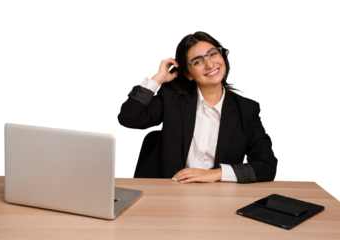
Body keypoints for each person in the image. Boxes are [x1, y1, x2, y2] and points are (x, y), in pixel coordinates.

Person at [117, 29, 278, 183]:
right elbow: (129, 118)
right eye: (198, 61)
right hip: (166, 191)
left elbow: (267, 165)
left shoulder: (247, 108)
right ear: (188, 73)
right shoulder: (171, 98)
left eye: (213, 54)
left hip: (217, 196)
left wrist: (216, 174)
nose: (209, 65)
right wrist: (157, 78)